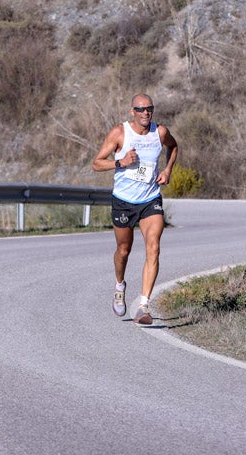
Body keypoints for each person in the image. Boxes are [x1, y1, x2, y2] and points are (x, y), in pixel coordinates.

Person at [92, 93, 179, 325]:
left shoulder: (159, 132)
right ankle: (120, 285)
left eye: (149, 108)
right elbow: (97, 163)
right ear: (132, 112)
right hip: (123, 201)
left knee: (154, 246)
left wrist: (168, 170)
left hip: (150, 199)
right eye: (140, 109)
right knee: (123, 250)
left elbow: (174, 147)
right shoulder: (119, 133)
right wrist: (120, 162)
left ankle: (143, 306)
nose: (145, 113)